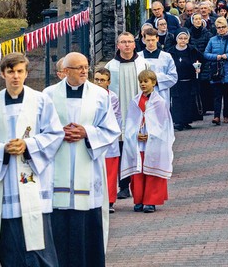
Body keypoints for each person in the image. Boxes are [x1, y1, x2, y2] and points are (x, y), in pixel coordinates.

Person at [0, 53, 64, 266]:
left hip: (35, 179)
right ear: (3, 74)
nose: (15, 76)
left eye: (20, 71)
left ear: (26, 73)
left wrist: (28, 145)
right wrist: (2, 148)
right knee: (12, 246)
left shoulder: (41, 100)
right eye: (11, 71)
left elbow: (55, 134)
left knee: (40, 245)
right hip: (7, 181)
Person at [44, 52, 120, 267]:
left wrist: (87, 133)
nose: (85, 71)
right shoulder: (48, 95)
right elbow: (40, 131)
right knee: (59, 223)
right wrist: (60, 134)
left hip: (88, 165)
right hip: (58, 165)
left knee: (86, 224)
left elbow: (111, 128)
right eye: (79, 67)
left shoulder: (100, 95)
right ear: (65, 71)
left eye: (86, 66)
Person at [120, 70, 175, 214]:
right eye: (141, 82)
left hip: (154, 143)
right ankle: (138, 200)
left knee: (152, 172)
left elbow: (163, 124)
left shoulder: (159, 102)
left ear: (154, 83)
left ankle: (150, 201)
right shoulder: (135, 101)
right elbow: (131, 121)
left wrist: (151, 135)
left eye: (146, 81)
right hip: (139, 144)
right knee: (138, 172)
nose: (143, 84)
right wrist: (135, 134)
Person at [105, 32, 150, 200]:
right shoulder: (111, 66)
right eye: (123, 42)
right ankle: (123, 186)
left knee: (138, 150)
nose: (127, 45)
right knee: (122, 150)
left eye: (130, 42)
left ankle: (139, 186)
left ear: (134, 44)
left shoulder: (142, 63)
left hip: (139, 113)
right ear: (118, 45)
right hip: (120, 114)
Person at [93, 68, 122, 214]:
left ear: (108, 82)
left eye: (102, 80)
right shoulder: (89, 95)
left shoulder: (113, 97)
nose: (99, 83)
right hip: (93, 139)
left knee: (110, 173)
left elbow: (116, 118)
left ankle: (110, 200)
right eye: (96, 79)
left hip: (109, 141)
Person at [169, 29, 204, 131]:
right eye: (180, 38)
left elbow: (201, 60)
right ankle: (179, 122)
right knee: (178, 102)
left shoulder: (193, 50)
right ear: (176, 39)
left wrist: (199, 69)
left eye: (185, 38)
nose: (183, 41)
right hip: (177, 81)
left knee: (188, 102)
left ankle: (187, 121)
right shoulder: (171, 51)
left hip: (190, 81)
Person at [204, 17, 228, 125]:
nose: (221, 29)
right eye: (219, 27)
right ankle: (216, 116)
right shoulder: (212, 40)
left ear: (227, 27)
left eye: (223, 27)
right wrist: (216, 56)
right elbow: (206, 53)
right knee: (217, 95)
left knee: (227, 95)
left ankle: (226, 115)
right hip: (216, 71)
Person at [138, 28, 178, 104]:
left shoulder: (166, 57)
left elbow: (173, 77)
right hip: (142, 95)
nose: (150, 43)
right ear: (144, 39)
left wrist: (154, 79)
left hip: (161, 95)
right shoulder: (138, 57)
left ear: (157, 39)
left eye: (153, 40)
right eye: (148, 40)